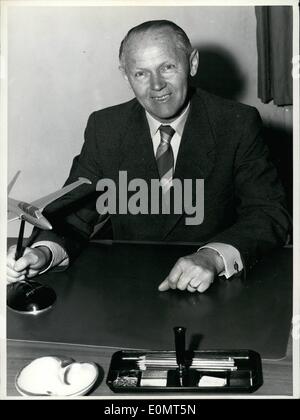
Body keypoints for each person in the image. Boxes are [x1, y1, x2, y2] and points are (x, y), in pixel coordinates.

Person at [7, 20, 290, 293]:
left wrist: (213, 257)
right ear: (125, 74)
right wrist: (42, 253)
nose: (156, 85)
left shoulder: (236, 122)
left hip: (217, 287)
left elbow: (268, 213)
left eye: (167, 67)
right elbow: (73, 214)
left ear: (192, 63)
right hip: (131, 289)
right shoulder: (105, 127)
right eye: (141, 73)